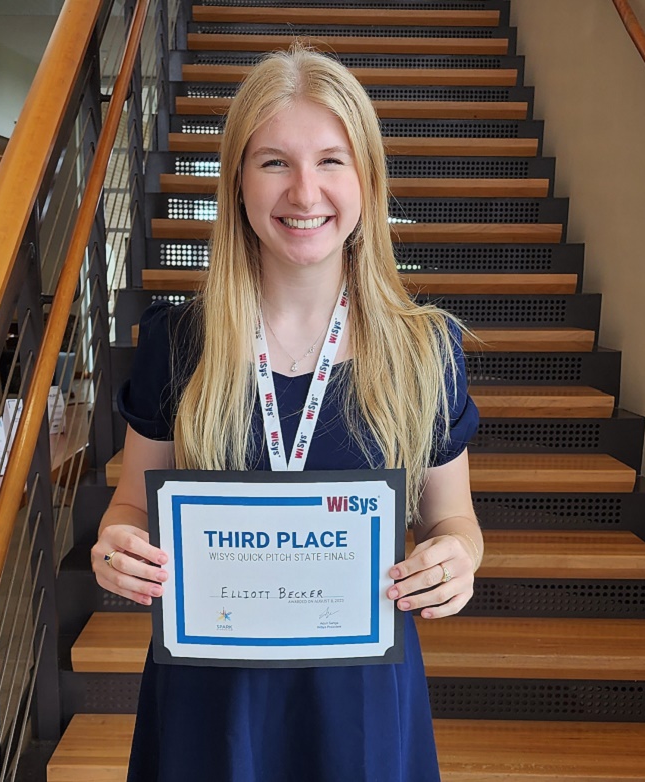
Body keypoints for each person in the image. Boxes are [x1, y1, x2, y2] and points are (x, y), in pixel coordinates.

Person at [93, 44, 483, 782]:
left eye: (332, 160)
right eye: (274, 161)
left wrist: (458, 560)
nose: (305, 192)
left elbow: (453, 520)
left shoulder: (426, 351)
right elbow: (129, 507)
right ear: (237, 182)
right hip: (211, 701)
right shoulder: (177, 343)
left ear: (367, 180)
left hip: (360, 703)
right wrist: (117, 547)